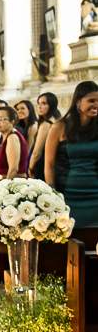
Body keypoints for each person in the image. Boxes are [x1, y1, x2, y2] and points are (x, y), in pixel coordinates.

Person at [45, 80, 98, 226]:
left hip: (95, 193)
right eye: (91, 101)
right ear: (78, 102)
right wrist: (52, 191)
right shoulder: (59, 127)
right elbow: (49, 163)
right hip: (67, 193)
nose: (96, 105)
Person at [28, 92, 60, 180]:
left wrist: (30, 167)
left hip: (44, 166)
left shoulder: (46, 124)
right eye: (38, 103)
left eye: (44, 103)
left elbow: (37, 152)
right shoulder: (58, 121)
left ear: (52, 105)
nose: (39, 106)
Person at [0, 105, 28, 180]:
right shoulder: (7, 137)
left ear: (12, 122)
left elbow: (13, 169)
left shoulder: (12, 137)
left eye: (1, 119)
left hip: (14, 184)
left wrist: (6, 187)